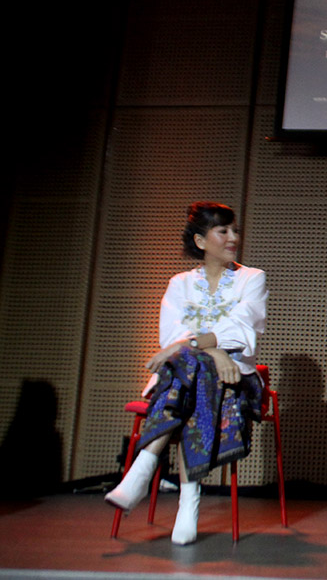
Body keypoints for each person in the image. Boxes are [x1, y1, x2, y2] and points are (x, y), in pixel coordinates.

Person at [104, 202, 266, 546]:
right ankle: (187, 503)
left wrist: (206, 347)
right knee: (196, 371)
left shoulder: (252, 278)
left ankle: (145, 465)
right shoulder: (179, 284)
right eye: (223, 231)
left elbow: (242, 330)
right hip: (193, 373)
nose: (233, 237)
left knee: (191, 369)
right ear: (201, 240)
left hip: (235, 377)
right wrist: (213, 349)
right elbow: (169, 337)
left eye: (234, 230)